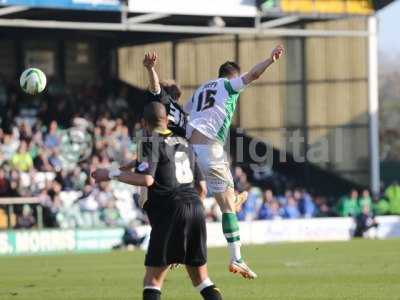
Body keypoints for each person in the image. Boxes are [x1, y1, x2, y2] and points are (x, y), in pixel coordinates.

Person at [92, 102, 223, 300]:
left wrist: (111, 173)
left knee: (152, 281)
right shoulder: (183, 141)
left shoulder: (148, 140)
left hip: (170, 210)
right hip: (195, 208)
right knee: (201, 279)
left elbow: (147, 179)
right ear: (166, 120)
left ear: (144, 122)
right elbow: (202, 188)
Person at [183, 44, 285, 279]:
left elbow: (183, 111)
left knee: (207, 198)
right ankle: (236, 258)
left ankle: (183, 246)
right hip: (210, 147)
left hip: (190, 148)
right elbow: (253, 75)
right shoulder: (229, 85)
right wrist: (270, 60)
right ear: (233, 75)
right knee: (227, 206)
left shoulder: (201, 89)